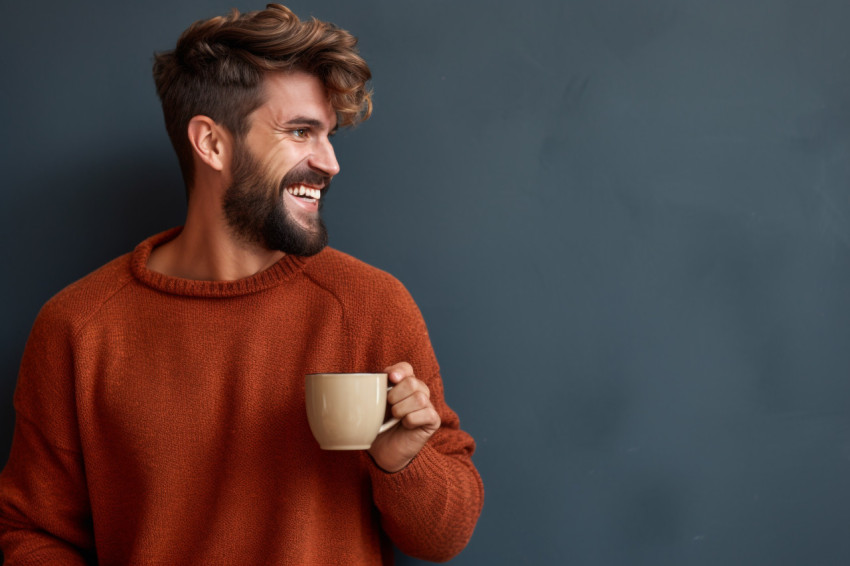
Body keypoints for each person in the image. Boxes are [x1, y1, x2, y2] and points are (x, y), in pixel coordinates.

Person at [0, 4, 483, 564]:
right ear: (212, 144)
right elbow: (32, 531)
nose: (329, 162)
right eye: (300, 131)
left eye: (327, 135)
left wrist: (403, 462)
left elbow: (445, 538)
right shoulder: (78, 327)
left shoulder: (369, 304)